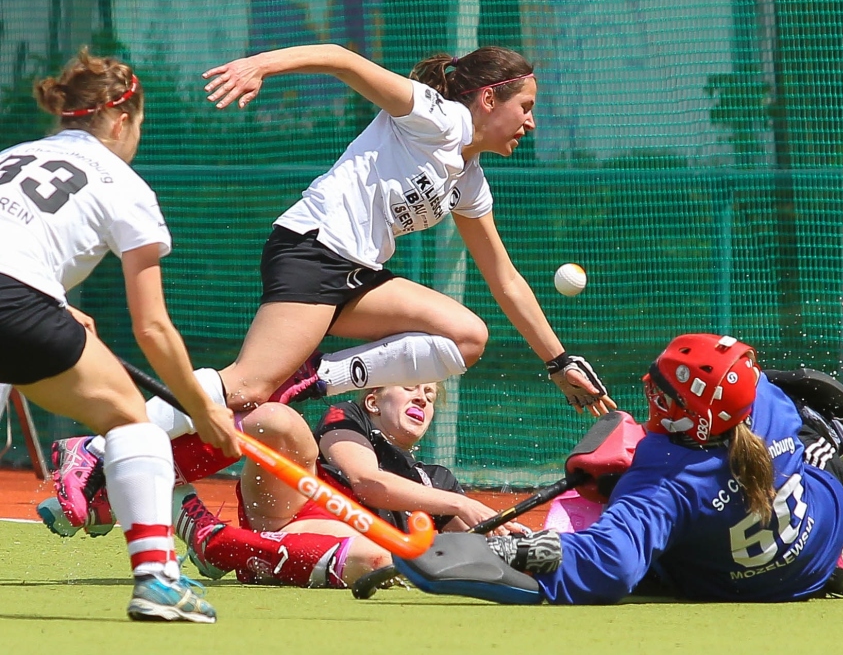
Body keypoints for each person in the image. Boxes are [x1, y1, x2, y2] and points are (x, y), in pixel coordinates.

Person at [199, 44, 616, 418]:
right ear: (489, 98)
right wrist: (259, 65)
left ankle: (317, 377)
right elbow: (342, 60)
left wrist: (559, 363)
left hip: (357, 273)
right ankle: (139, 426)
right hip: (314, 249)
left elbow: (505, 279)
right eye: (525, 106)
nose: (531, 122)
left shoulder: (469, 181)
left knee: (467, 338)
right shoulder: (438, 117)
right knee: (248, 387)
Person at [0, 48, 239, 623]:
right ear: (124, 118)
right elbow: (153, 327)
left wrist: (48, 301)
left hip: (21, 299)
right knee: (132, 422)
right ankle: (157, 580)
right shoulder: (123, 182)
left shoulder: (10, 155)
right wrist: (200, 409)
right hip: (15, 301)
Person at [391, 334, 843, 604]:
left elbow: (610, 567)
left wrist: (509, 549)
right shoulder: (768, 404)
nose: (650, 385)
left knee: (586, 510)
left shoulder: (663, 480)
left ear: (696, 418)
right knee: (807, 452)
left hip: (753, 587)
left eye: (662, 390)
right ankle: (841, 527)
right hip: (824, 528)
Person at [49, 383, 517, 589]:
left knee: (379, 559)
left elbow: (472, 543)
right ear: (373, 399)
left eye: (431, 395)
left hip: (357, 544)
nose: (423, 397)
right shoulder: (348, 420)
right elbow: (367, 482)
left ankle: (213, 540)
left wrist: (512, 540)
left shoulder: (436, 480)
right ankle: (129, 475)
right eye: (413, 387)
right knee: (272, 417)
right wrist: (458, 502)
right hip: (293, 509)